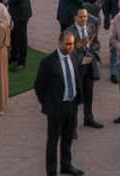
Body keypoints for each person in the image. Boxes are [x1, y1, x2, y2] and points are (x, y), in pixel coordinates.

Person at [34, 32, 84, 176]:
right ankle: (51, 172)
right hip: (57, 108)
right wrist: (47, 102)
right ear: (59, 43)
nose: (70, 47)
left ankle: (66, 166)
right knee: (53, 142)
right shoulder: (48, 61)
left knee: (67, 138)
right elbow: (38, 85)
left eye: (72, 44)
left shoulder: (73, 55)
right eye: (67, 44)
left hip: (72, 105)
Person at [67, 7, 104, 130]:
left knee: (89, 94)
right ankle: (73, 126)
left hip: (89, 67)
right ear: (75, 18)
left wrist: (93, 55)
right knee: (75, 98)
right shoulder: (70, 32)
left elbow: (95, 44)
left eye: (85, 16)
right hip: (77, 69)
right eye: (81, 17)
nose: (83, 19)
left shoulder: (91, 27)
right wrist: (82, 58)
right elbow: (68, 52)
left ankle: (88, 118)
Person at [4, 0, 32, 72]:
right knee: (13, 36)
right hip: (14, 14)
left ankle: (21, 62)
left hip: (21, 14)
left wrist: (8, 0)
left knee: (22, 38)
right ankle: (15, 55)